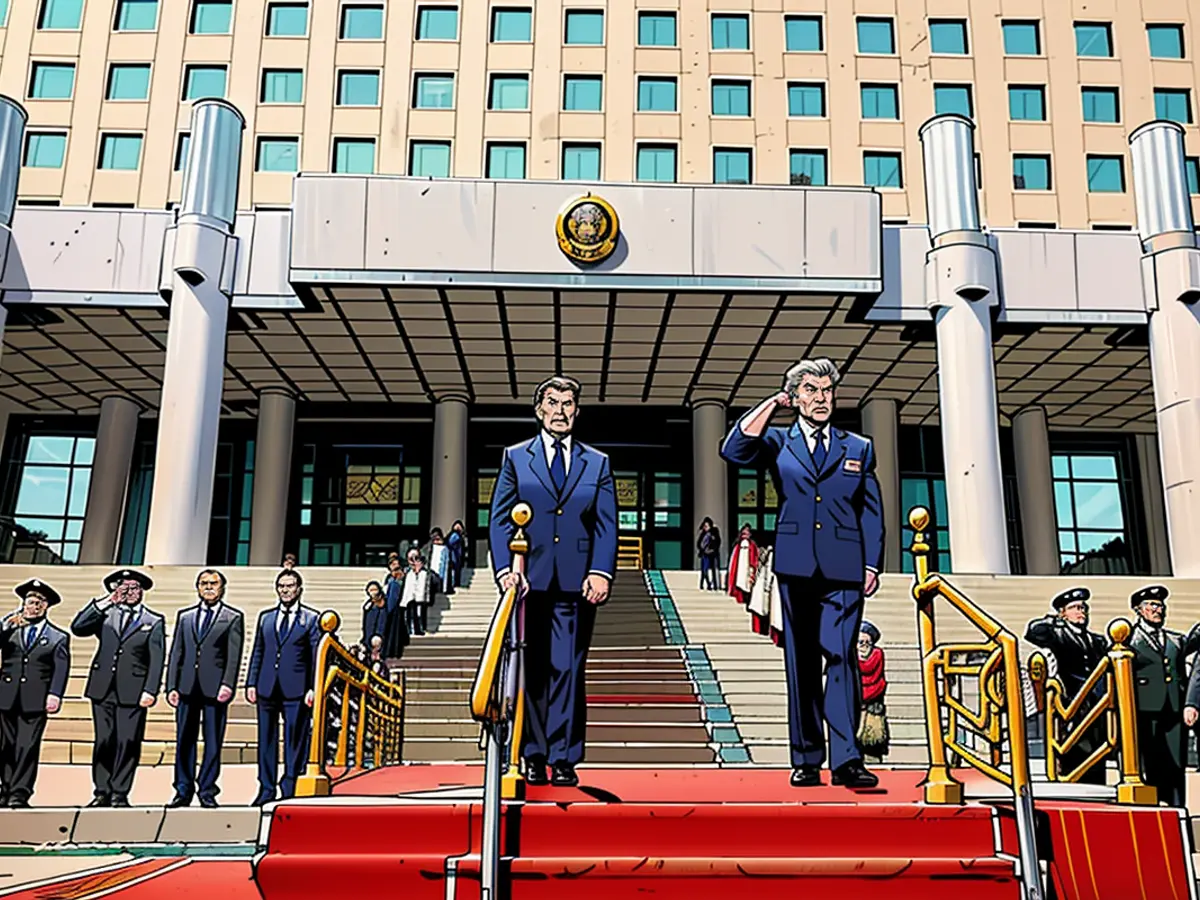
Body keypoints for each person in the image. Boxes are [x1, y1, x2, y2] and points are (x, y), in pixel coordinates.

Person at [721, 357, 884, 790]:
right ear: (796, 398)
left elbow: (871, 510)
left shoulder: (858, 447)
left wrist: (872, 562)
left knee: (841, 656)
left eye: (827, 390)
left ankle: (848, 759)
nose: (821, 398)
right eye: (811, 391)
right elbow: (733, 450)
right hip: (795, 566)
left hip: (845, 569)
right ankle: (807, 757)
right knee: (801, 664)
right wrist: (775, 402)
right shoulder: (778, 441)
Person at [489, 374, 617, 788]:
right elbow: (499, 518)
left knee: (569, 668)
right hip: (528, 581)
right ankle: (532, 752)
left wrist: (601, 570)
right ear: (539, 409)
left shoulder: (597, 462)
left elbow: (605, 524)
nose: (560, 411)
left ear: (577, 412)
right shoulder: (515, 457)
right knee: (533, 669)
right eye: (553, 403)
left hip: (576, 583)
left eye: (568, 404)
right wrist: (504, 568)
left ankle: (564, 756)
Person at [71, 569, 165, 807]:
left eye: (135, 588)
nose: (130, 592)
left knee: (128, 741)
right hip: (103, 687)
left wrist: (151, 690)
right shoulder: (106, 614)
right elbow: (78, 627)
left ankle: (120, 792)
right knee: (104, 740)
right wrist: (106, 602)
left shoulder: (152, 620)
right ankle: (101, 790)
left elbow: (157, 658)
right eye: (125, 588)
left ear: (142, 591)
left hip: (133, 689)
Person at [165, 569, 244, 808]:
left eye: (213, 583)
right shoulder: (185, 616)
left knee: (212, 741)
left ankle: (207, 790)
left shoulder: (232, 617)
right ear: (197, 587)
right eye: (204, 583)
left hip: (214, 689)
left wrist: (228, 684)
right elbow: (177, 652)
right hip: (187, 686)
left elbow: (233, 655)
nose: (209, 587)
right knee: (184, 740)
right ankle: (182, 790)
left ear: (222, 588)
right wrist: (171, 686)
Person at [246, 569, 320, 806]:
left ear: (299, 589)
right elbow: (258, 650)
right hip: (267, 686)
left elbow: (316, 657)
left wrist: (313, 687)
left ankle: (289, 786)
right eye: (281, 586)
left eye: (290, 586)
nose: (285, 590)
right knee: (265, 739)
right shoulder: (266, 618)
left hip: (296, 689)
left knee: (294, 740)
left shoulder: (311, 618)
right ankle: (266, 788)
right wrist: (251, 682)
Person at [1023, 587, 1108, 785]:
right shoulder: (1057, 635)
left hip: (1094, 704)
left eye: (1084, 608)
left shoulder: (1097, 640)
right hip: (1069, 703)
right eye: (1075, 608)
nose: (1081, 612)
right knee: (1073, 751)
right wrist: (1054, 620)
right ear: (1063, 613)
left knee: (1096, 753)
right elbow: (1033, 631)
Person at [0, 579, 69, 808]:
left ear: (46, 606)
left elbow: (61, 668)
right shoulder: (9, 629)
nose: (33, 606)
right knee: (5, 745)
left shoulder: (57, 636)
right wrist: (6, 625)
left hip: (35, 697)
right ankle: (5, 788)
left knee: (27, 746)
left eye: (39, 603)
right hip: (7, 695)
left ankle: (20, 792)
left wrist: (55, 694)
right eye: (29, 602)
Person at [857, 621, 889, 763]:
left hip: (872, 706)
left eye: (867, 643)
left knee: (872, 741)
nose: (864, 646)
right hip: (857, 704)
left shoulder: (877, 656)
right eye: (860, 642)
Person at [748, 546, 783, 646]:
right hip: (768, 585)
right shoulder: (772, 554)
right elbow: (769, 571)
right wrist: (767, 588)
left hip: (768, 585)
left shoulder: (769, 553)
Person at [402, 549, 433, 637]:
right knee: (408, 617)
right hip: (408, 600)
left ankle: (419, 629)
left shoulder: (426, 573)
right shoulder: (406, 572)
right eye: (411, 559)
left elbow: (434, 583)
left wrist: (418, 571)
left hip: (420, 600)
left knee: (418, 616)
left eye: (416, 558)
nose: (413, 561)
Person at [726, 524, 758, 604]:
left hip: (748, 566)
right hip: (740, 566)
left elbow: (754, 556)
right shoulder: (738, 545)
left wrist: (753, 566)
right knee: (740, 581)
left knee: (748, 583)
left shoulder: (752, 545)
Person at [697, 518, 722, 591]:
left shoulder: (714, 533)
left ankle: (714, 585)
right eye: (704, 526)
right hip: (705, 554)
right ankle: (707, 584)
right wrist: (702, 549)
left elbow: (717, 542)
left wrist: (712, 549)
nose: (705, 528)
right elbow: (699, 543)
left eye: (707, 526)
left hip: (712, 554)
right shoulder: (703, 534)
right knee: (704, 570)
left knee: (714, 570)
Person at [362, 580, 389, 646]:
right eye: (371, 590)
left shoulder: (383, 604)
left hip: (379, 637)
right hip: (368, 635)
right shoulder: (368, 605)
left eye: (375, 589)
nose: (373, 592)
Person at [427, 528, 451, 593]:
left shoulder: (445, 549)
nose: (436, 541)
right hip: (430, 573)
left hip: (439, 574)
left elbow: (445, 566)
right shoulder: (429, 548)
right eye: (434, 538)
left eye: (438, 538)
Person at [446, 520, 467, 594]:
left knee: (457, 570)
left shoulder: (460, 536)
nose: (458, 527)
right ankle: (454, 584)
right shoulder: (455, 535)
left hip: (458, 556)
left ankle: (456, 583)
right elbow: (451, 542)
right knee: (454, 571)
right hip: (454, 556)